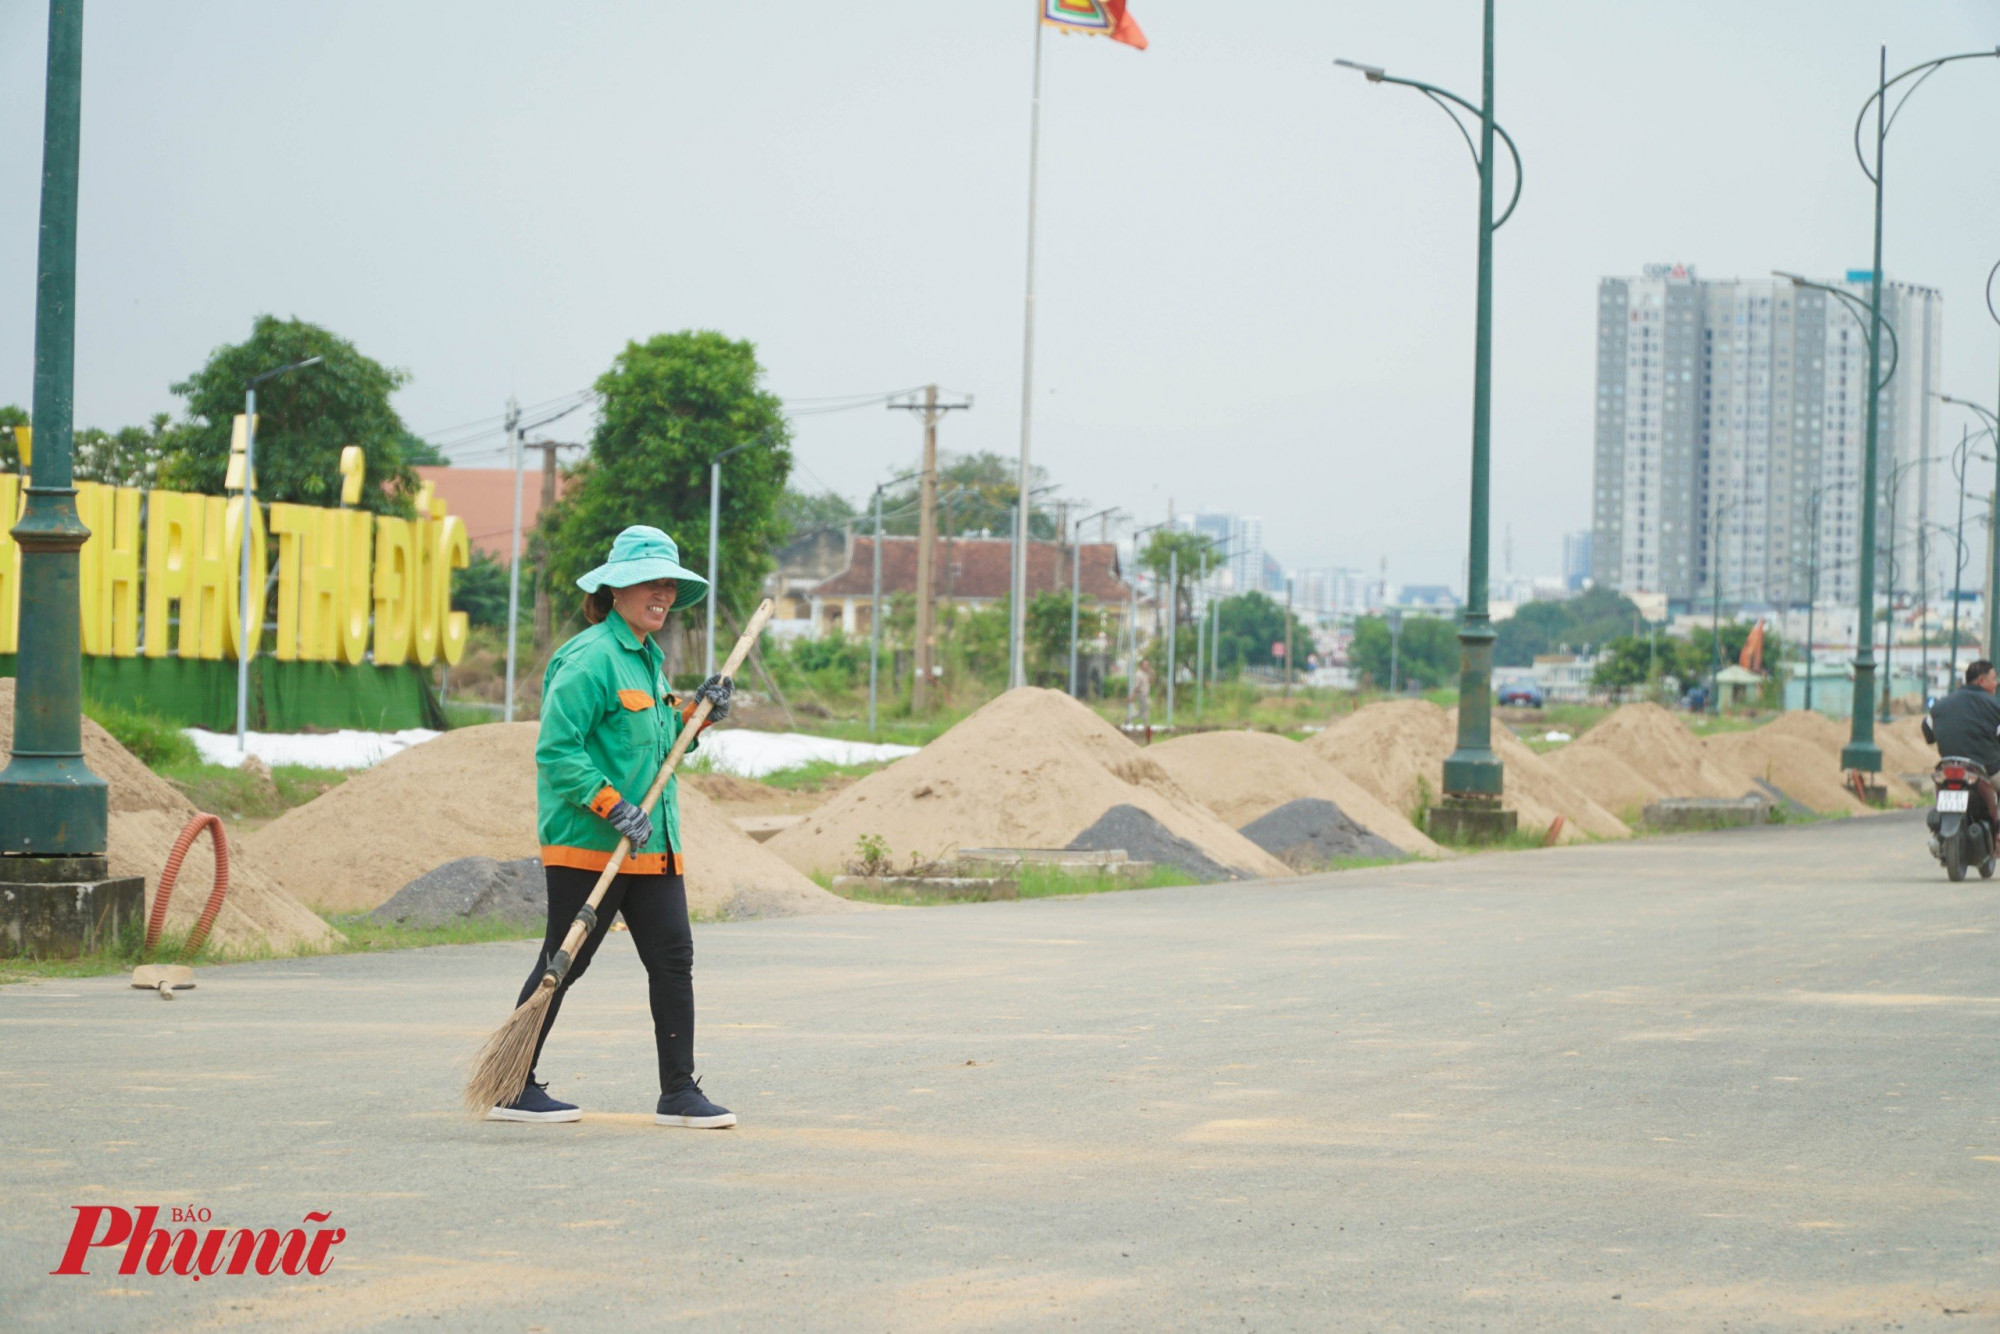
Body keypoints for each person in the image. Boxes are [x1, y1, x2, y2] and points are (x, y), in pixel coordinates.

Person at [488, 525, 736, 1129]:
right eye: (651, 582)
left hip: (652, 843)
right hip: (591, 842)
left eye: (670, 585)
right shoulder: (590, 658)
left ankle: (679, 1091)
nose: (663, 594)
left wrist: (697, 716)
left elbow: (655, 749)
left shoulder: (649, 661)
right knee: (565, 960)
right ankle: (511, 1085)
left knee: (674, 957)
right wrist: (610, 804)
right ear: (615, 589)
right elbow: (556, 750)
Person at [1922, 658, 2000, 829]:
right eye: (1994, 679)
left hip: (1947, 768)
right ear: (1981, 680)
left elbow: (1927, 731)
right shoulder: (1995, 706)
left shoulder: (1941, 704)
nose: (1996, 684)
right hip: (1986, 770)